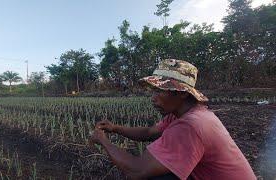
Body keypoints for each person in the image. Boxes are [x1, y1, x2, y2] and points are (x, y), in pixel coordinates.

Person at [90, 59, 256, 180]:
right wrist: (115, 128)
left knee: (154, 177)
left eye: (159, 91)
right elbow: (150, 132)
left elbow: (137, 170)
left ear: (182, 93)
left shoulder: (190, 125)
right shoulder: (185, 113)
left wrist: (103, 140)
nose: (153, 98)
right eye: (153, 91)